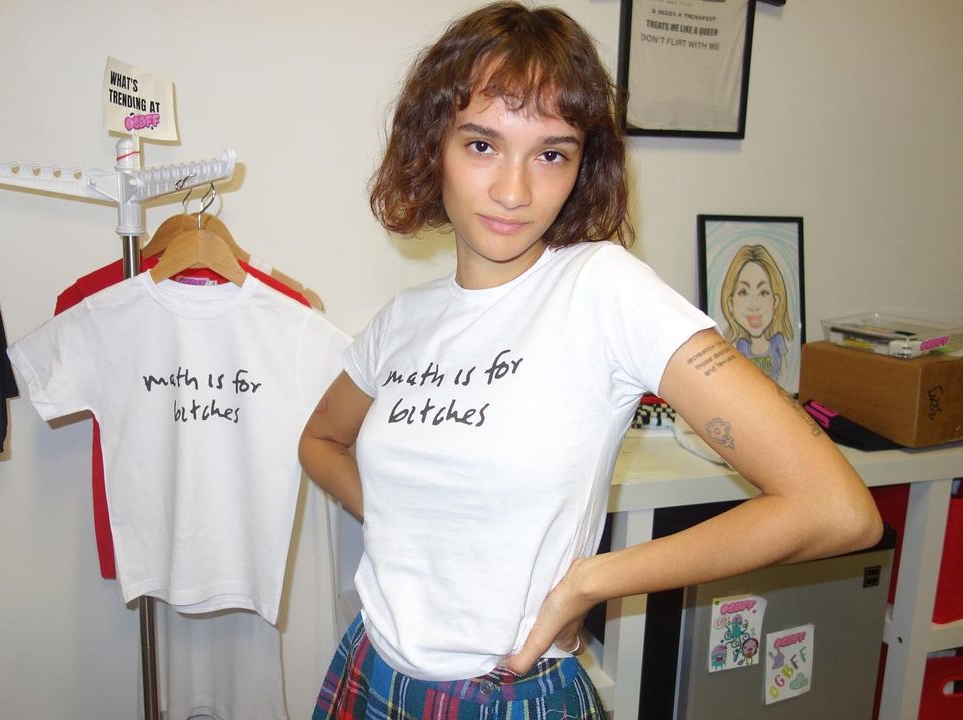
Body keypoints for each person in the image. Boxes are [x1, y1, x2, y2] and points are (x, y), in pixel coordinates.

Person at [299, 3, 882, 718]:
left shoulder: (602, 289)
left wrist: (591, 582)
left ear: (582, 167)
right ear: (432, 146)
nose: (514, 190)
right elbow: (320, 441)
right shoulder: (401, 322)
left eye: (551, 154)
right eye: (482, 145)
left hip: (507, 693)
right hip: (371, 667)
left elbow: (835, 509)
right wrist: (398, 517)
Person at [719, 243, 793, 383]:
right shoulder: (741, 347)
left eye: (763, 292)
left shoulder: (777, 343)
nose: (754, 305)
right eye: (743, 292)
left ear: (775, 301)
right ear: (730, 303)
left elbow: (787, 378)